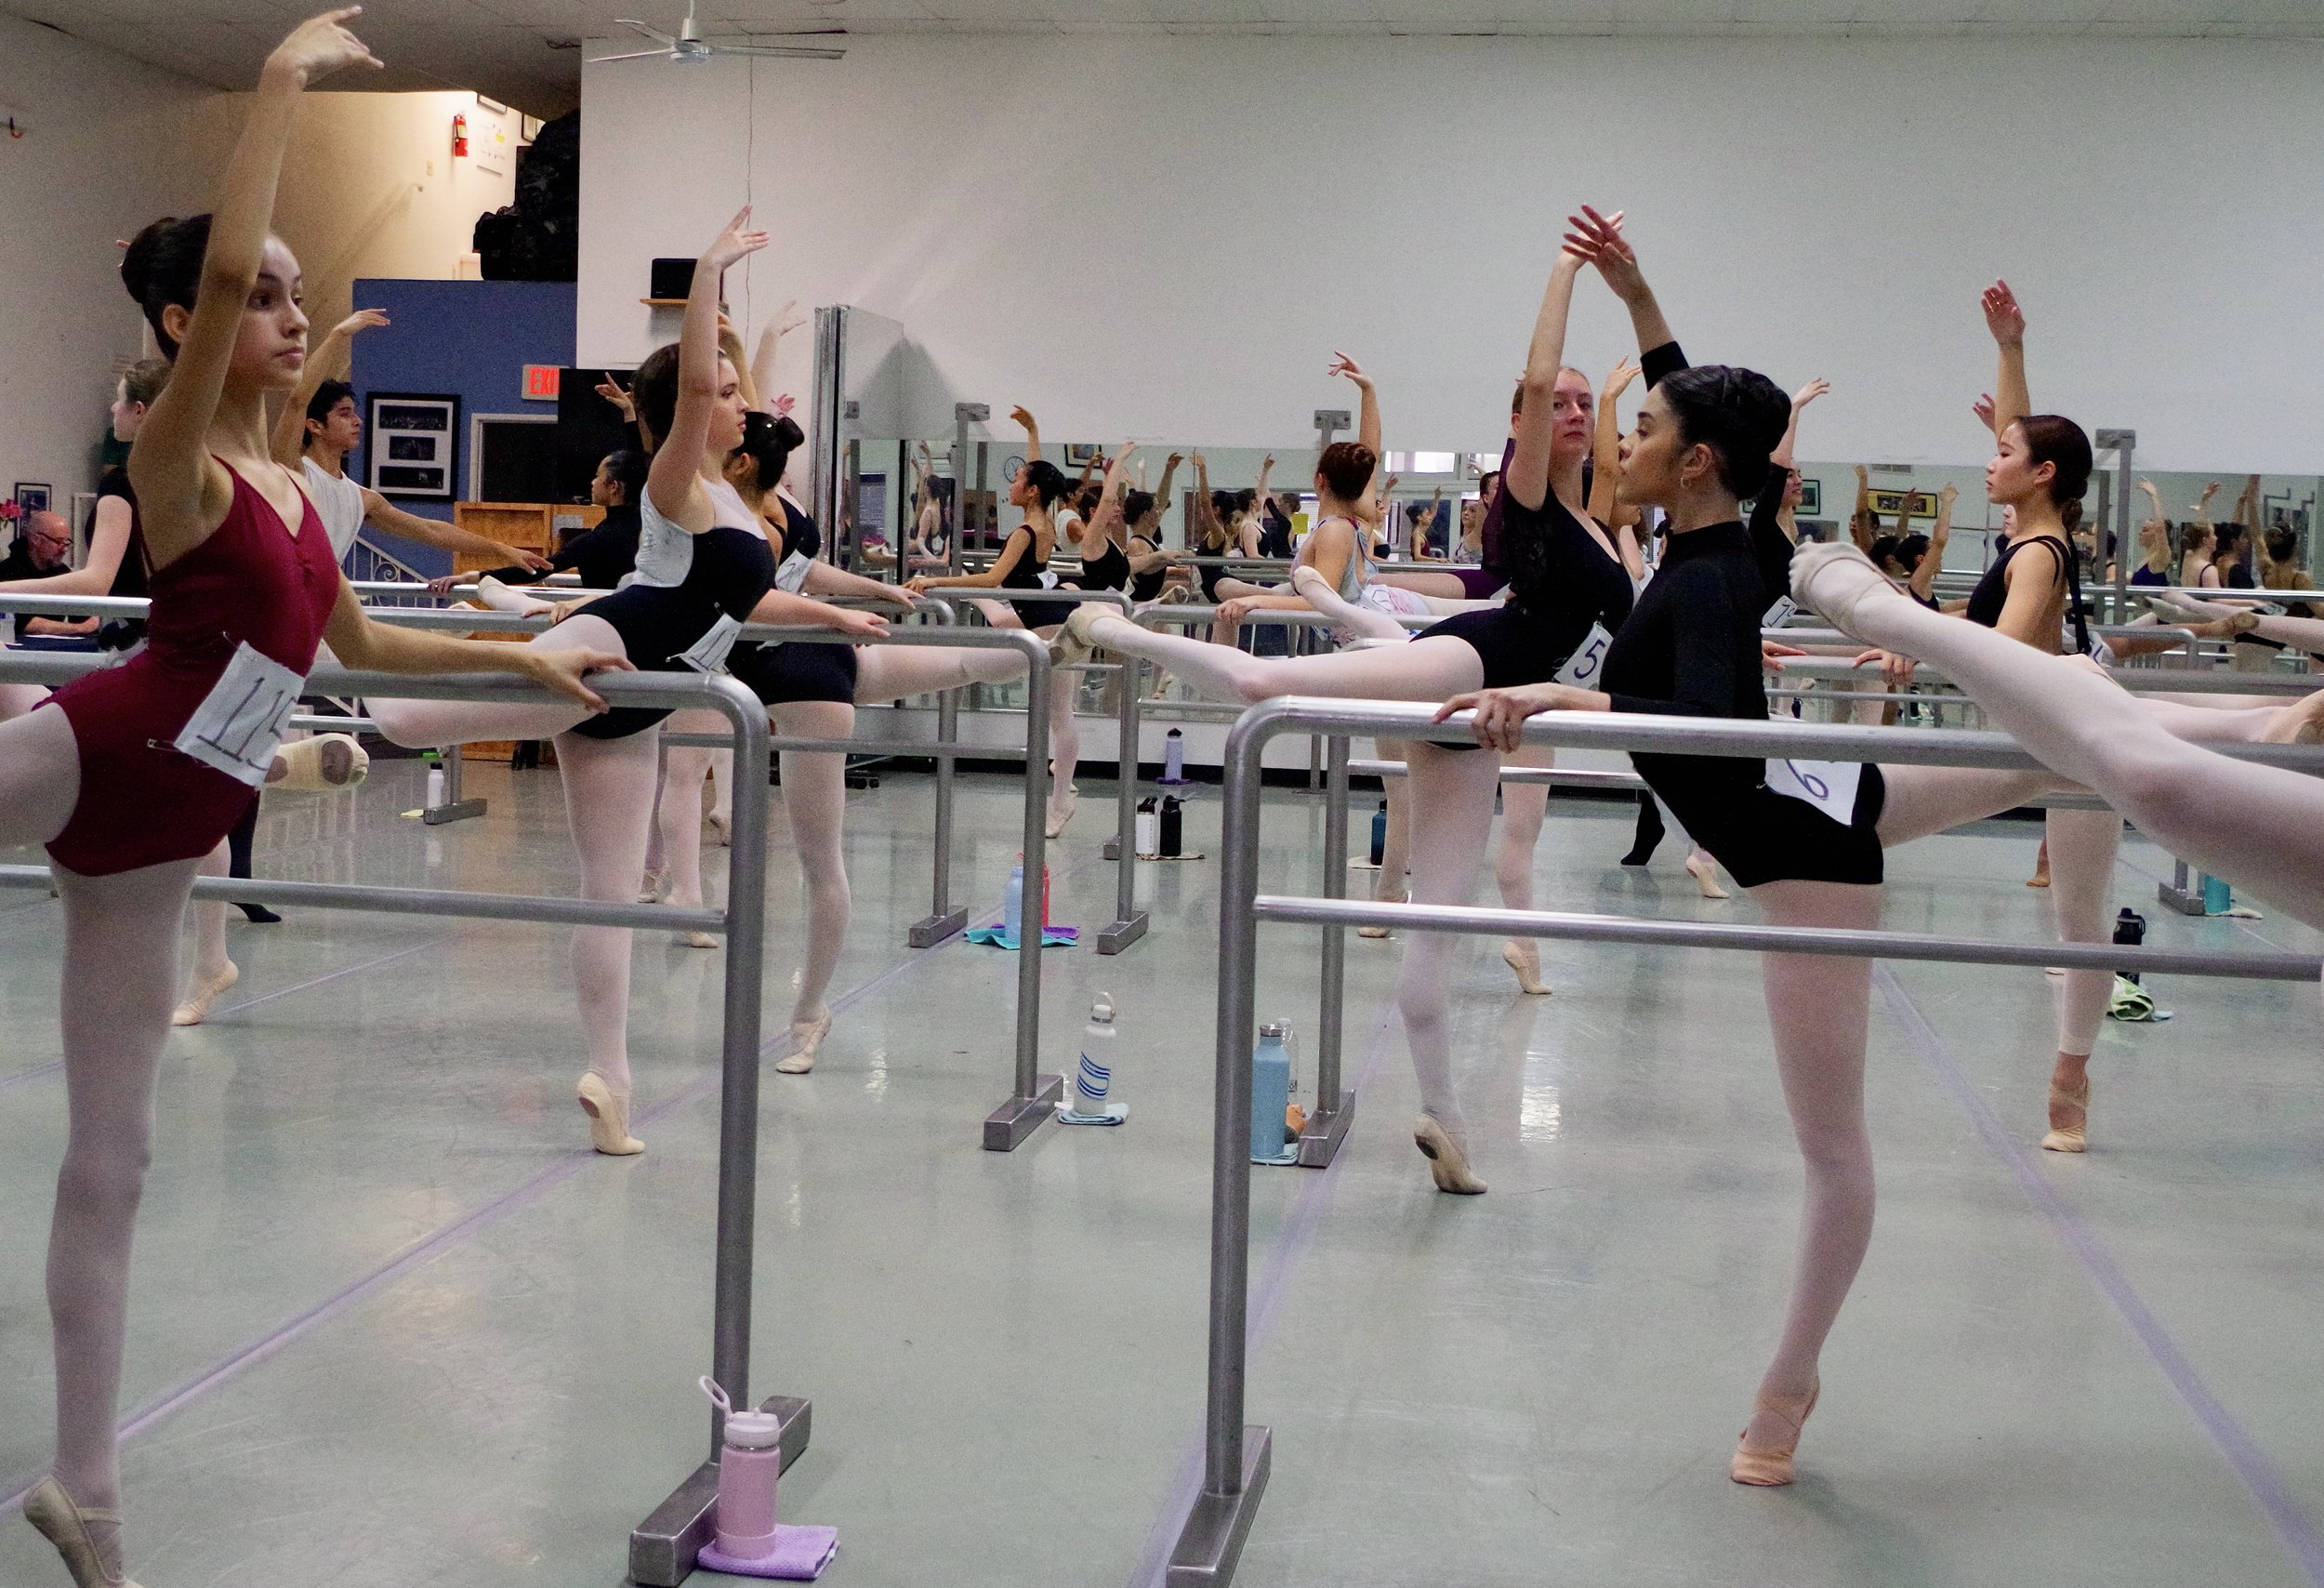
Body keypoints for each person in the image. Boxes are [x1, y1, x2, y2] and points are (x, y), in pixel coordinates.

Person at [3, 18, 624, 1588]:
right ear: (187, 319)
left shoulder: (290, 487)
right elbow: (221, 276)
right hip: (97, 753)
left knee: (115, 1161)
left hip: (162, 833)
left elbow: (361, 644)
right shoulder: (178, 465)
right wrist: (278, 84)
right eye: (266, 296)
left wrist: (529, 661)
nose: (287, 316)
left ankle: (87, 1488)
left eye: (295, 295)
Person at [1061, 241, 1635, 1197]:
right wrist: (1568, 275)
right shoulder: (1529, 501)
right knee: (1266, 689)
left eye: (1588, 405)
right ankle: (1114, 628)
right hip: (1476, 659)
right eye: (1561, 404)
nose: (1574, 412)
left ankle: (1447, 1123)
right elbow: (1537, 384)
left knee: (1436, 931)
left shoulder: (1600, 522)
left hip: (1486, 722)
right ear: (1523, 425)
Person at [367, 205, 775, 1158]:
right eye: (723, 393)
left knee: (611, 896)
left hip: (645, 701)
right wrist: (705, 275)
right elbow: (692, 389)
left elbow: (738, 414)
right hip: (605, 649)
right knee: (402, 720)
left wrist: (838, 613)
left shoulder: (735, 498)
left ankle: (610, 1079)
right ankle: (323, 685)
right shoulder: (675, 482)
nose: (739, 405)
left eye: (738, 394)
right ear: (682, 411)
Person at [906, 408, 1086, 838]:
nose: (1011, 483)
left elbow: (992, 578)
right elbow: (1042, 475)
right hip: (1052, 618)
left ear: (1032, 491)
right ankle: (1063, 791)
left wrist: (936, 580)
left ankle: (1061, 800)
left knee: (1055, 715)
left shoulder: (1025, 533)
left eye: (1017, 478)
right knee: (1061, 716)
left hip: (1046, 631)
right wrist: (1033, 430)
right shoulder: (1044, 519)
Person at [270, 312, 546, 572]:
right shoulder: (293, 471)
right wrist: (338, 336)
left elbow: (431, 530)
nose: (357, 421)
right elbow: (297, 402)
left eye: (354, 412)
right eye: (344, 414)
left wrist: (499, 549)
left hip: (319, 596)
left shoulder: (363, 499)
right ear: (315, 425)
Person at [0, 512, 97, 642]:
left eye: (67, 542)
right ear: (36, 540)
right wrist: (79, 628)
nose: (64, 549)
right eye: (59, 542)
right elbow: (20, 622)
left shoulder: (62, 573)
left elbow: (84, 616)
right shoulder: (7, 572)